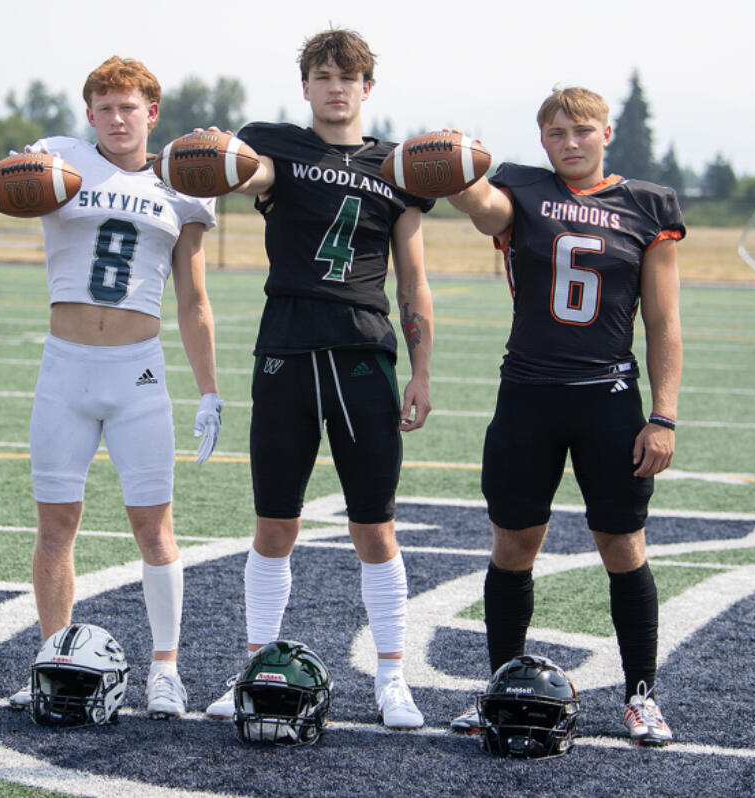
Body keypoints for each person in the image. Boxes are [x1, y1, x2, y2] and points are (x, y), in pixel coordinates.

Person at [202, 28, 435, 730]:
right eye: (323, 76)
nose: (336, 87)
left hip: (364, 349)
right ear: (305, 86)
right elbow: (249, 174)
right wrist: (218, 158)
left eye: (348, 77)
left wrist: (422, 370)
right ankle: (257, 666)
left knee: (375, 526)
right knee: (275, 523)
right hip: (287, 350)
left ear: (368, 87)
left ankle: (392, 678)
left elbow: (415, 282)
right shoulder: (277, 147)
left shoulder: (399, 167)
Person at [444, 86, 684, 747]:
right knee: (513, 546)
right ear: (542, 139)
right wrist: (454, 170)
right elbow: (483, 209)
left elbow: (663, 319)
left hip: (607, 398)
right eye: (555, 133)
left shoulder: (648, 205)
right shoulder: (521, 187)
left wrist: (662, 415)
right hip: (527, 395)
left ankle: (640, 697)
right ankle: (500, 688)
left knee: (622, 547)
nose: (569, 142)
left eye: (581, 130)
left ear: (606, 131)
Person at [6, 56, 222, 720]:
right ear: (90, 114)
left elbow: (194, 300)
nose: (118, 117)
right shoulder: (60, 161)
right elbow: (5, 191)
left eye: (130, 106)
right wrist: (13, 170)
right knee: (55, 526)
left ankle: (166, 668)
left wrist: (210, 390)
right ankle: (53, 660)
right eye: (105, 107)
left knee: (153, 526)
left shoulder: (182, 181)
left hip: (138, 372)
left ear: (151, 112)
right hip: (65, 367)